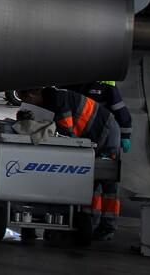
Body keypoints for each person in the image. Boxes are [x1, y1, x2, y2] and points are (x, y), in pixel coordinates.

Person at [19, 87, 121, 240]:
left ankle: (108, 227)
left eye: (26, 100)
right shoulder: (48, 102)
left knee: (108, 183)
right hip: (92, 134)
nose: (27, 104)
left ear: (32, 95)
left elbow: (66, 135)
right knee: (88, 182)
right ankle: (88, 223)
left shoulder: (58, 101)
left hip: (106, 133)